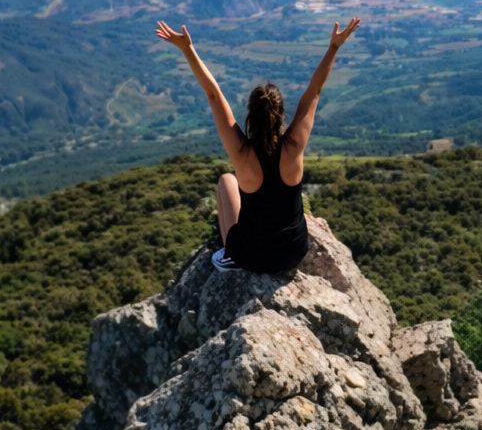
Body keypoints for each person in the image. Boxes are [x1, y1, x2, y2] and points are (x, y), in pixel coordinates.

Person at [155, 16, 361, 273]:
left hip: (250, 257)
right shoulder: (294, 145)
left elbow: (213, 94)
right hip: (292, 254)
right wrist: (334, 47)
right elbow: (315, 90)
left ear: (250, 115)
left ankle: (229, 255)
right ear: (281, 114)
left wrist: (188, 49)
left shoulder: (242, 153)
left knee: (226, 181)